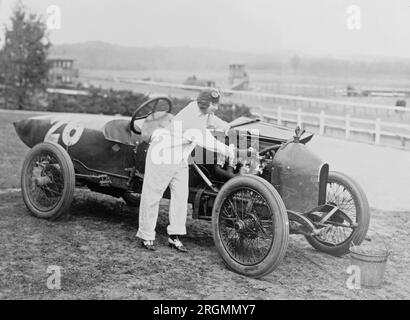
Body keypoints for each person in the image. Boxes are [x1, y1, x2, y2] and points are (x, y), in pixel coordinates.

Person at [136, 89, 235, 252]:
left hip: (180, 158)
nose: (216, 107)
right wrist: (231, 151)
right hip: (162, 156)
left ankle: (174, 236)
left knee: (181, 198)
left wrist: (224, 125)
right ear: (204, 104)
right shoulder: (191, 118)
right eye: (213, 105)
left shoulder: (198, 108)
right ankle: (146, 235)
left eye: (216, 104)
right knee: (152, 197)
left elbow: (210, 118)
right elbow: (206, 140)